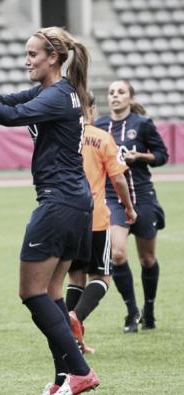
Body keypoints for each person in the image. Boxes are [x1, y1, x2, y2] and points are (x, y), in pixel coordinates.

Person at [0, 27, 99, 395]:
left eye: (32, 54)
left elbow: (7, 115)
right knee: (52, 292)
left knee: (31, 291)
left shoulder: (56, 96)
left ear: (52, 57)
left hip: (58, 203)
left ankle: (81, 372)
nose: (27, 60)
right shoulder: (59, 91)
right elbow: (2, 99)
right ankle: (64, 379)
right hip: (72, 202)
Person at [65, 92, 137, 353]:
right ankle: (75, 318)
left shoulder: (62, 136)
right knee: (102, 276)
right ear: (92, 110)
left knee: (75, 277)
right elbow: (118, 179)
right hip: (94, 217)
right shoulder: (102, 138)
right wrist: (128, 209)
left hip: (67, 217)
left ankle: (70, 338)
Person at [95, 80, 169, 333]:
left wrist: (141, 157)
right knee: (117, 254)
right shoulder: (100, 126)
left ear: (130, 97)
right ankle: (131, 311)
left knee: (147, 259)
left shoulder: (143, 124)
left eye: (121, 92)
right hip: (113, 198)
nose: (115, 96)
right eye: (112, 92)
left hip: (143, 197)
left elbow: (162, 156)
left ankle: (149, 309)